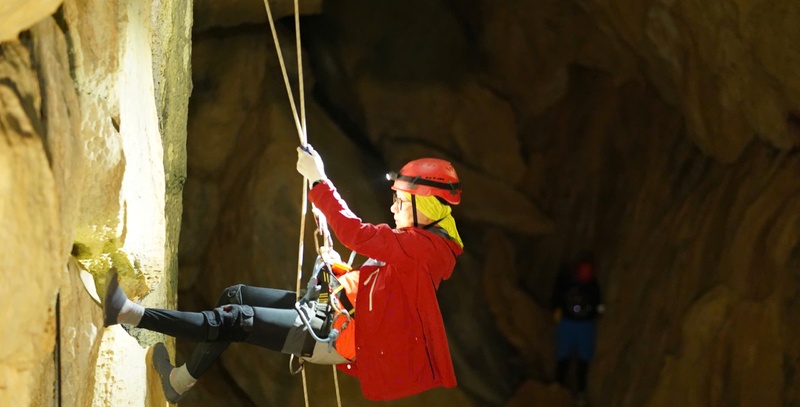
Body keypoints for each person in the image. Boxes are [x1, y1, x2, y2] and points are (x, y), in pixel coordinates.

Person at [102, 144, 465, 402]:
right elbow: (377, 290)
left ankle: (129, 314)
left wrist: (321, 183)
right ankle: (178, 383)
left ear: (426, 206)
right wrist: (334, 264)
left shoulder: (423, 250)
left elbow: (359, 235)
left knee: (236, 319)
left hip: (326, 338)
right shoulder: (421, 244)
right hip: (330, 313)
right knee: (236, 295)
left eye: (401, 201)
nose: (393, 206)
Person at [551, 252, 604, 403]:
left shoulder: (593, 287)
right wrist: (556, 309)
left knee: (583, 359)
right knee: (563, 356)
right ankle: (559, 385)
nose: (586, 274)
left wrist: (596, 312)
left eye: (589, 272)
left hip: (585, 326)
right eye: (583, 271)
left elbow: (598, 304)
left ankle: (580, 391)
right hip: (567, 323)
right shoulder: (566, 282)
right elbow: (556, 297)